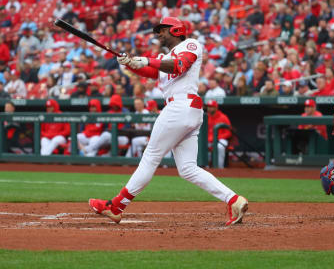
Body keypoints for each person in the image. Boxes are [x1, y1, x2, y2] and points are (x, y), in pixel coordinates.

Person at [89, 17, 248, 225]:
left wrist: (145, 60)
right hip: (186, 110)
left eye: (162, 30)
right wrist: (131, 63)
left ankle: (116, 206)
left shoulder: (190, 44)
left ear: (176, 30)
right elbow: (153, 71)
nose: (159, 34)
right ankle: (234, 200)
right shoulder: (165, 56)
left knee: (151, 157)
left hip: (180, 107)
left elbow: (178, 66)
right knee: (188, 169)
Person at [206, 100, 233, 169]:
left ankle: (219, 168)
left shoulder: (223, 117)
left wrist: (216, 138)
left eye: (211, 107)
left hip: (220, 140)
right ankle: (205, 167)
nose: (209, 108)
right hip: (208, 140)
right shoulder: (205, 117)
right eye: (208, 107)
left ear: (216, 107)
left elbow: (228, 133)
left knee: (220, 147)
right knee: (200, 146)